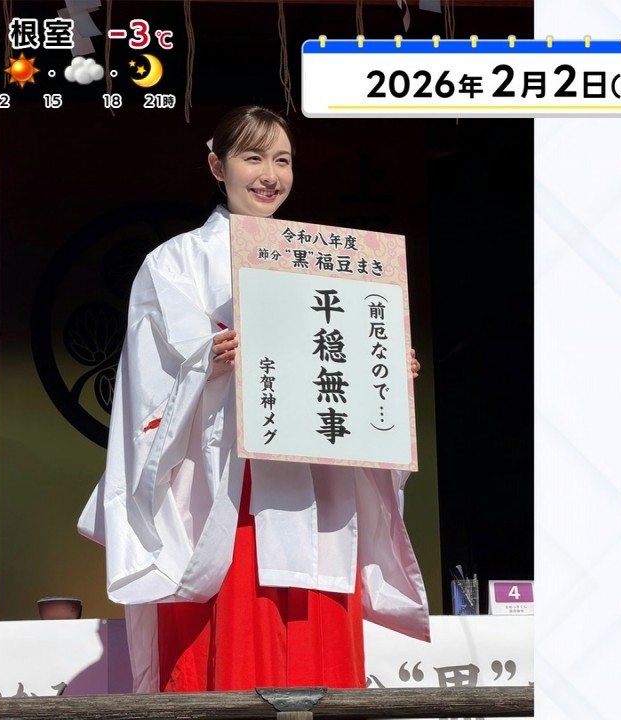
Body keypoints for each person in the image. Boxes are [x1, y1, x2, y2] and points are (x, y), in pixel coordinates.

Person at [78, 106, 429, 694]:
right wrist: (206, 363)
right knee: (233, 650)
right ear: (217, 166)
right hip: (228, 491)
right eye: (253, 157)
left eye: (283, 160)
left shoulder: (333, 262)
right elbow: (150, 378)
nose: (270, 175)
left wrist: (386, 369)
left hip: (321, 486)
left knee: (319, 647)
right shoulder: (176, 261)